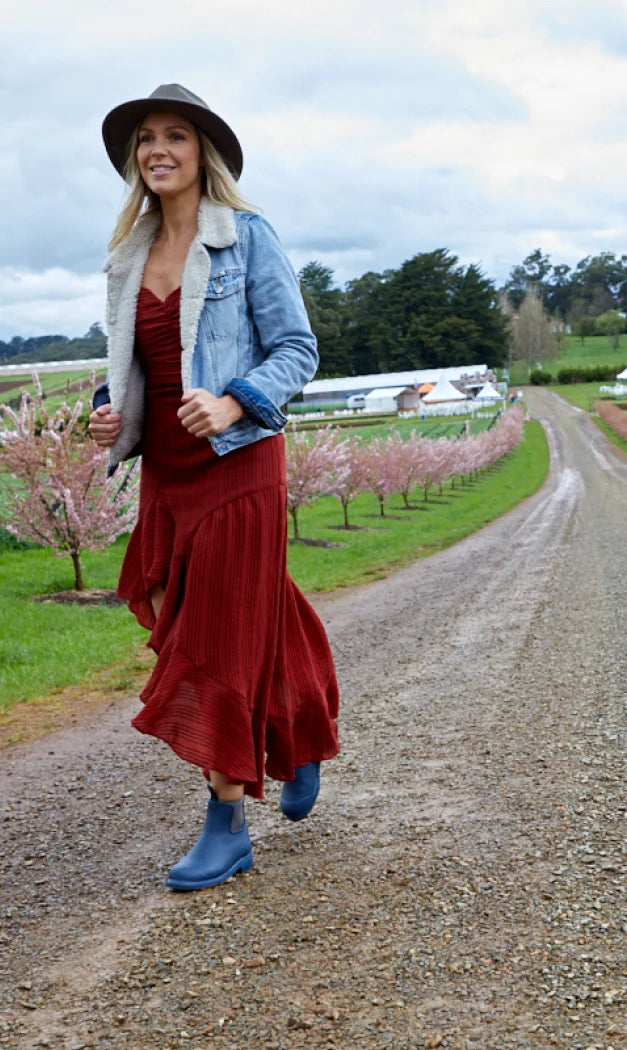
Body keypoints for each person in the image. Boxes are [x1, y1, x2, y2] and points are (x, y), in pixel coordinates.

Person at [89, 84, 339, 891]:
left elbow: (297, 350)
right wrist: (107, 413)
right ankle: (299, 734)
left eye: (175, 137)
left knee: (219, 632)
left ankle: (226, 818)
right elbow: (134, 371)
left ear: (205, 155)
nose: (157, 149)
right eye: (145, 140)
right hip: (166, 472)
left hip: (238, 460)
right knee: (232, 604)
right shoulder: (128, 254)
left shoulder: (248, 238)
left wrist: (235, 399)